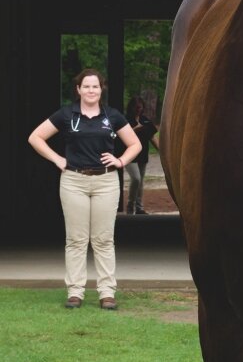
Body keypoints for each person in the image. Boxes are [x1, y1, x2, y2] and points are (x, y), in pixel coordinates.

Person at [28, 69, 141, 310]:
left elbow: (135, 144)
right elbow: (35, 137)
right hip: (73, 181)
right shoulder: (67, 114)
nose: (91, 90)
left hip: (106, 182)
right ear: (78, 89)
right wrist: (57, 159)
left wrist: (121, 161)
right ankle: (75, 292)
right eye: (86, 86)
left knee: (103, 239)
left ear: (102, 89)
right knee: (76, 240)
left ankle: (107, 293)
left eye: (95, 86)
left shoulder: (113, 116)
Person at [123, 94, 159, 214]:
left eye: (140, 107)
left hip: (142, 155)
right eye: (136, 107)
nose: (139, 109)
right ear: (131, 107)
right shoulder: (125, 120)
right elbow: (121, 136)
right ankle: (130, 206)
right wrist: (135, 129)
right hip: (129, 155)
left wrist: (161, 151)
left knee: (141, 182)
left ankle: (139, 208)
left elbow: (152, 137)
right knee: (136, 179)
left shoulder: (145, 120)